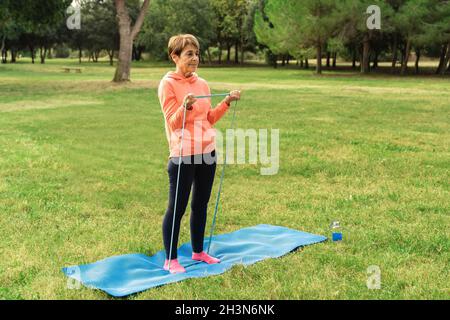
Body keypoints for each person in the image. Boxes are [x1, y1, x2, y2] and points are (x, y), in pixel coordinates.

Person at [158, 34, 241, 274]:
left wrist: (226, 102)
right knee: (177, 208)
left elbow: (210, 118)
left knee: (201, 205)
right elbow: (173, 123)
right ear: (175, 57)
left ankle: (198, 251)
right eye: (189, 54)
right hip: (183, 154)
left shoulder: (202, 83)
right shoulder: (168, 84)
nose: (195, 59)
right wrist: (184, 105)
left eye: (197, 54)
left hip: (207, 152)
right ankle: (170, 259)